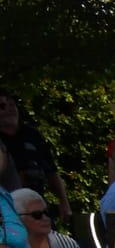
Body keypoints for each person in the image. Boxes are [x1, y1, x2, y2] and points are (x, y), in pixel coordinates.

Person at [0, 88, 69, 219]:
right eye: (2, 106)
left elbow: (51, 171)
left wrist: (64, 202)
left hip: (37, 205)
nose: (9, 110)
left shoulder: (32, 135)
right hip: (7, 210)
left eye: (12, 105)